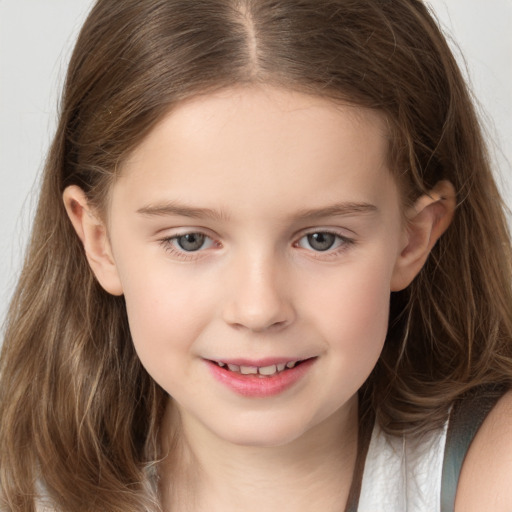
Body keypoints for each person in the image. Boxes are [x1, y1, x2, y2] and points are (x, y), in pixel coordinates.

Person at [1, 1, 511, 511]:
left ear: (412, 238)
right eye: (191, 240)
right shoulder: (21, 486)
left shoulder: (493, 469)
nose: (258, 308)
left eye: (321, 239)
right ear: (99, 241)